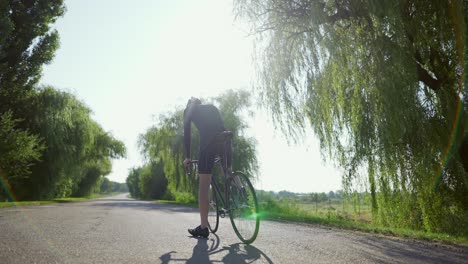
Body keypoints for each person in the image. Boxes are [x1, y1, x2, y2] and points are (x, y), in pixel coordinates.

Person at [183, 97, 232, 238]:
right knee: (227, 170)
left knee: (204, 184)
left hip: (208, 145)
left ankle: (204, 227)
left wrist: (187, 157)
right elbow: (220, 127)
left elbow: (187, 133)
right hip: (225, 140)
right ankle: (241, 191)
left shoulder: (189, 110)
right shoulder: (211, 107)